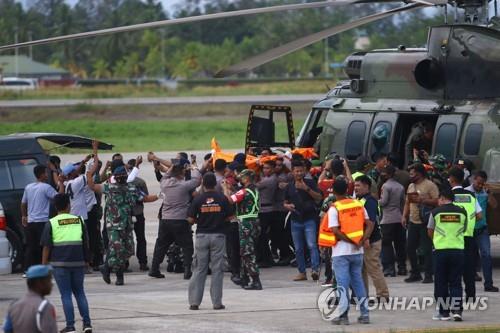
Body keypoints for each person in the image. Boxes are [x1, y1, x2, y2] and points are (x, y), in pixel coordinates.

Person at [87, 143, 158, 285]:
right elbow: (93, 187)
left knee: (127, 250)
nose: (121, 179)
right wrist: (89, 174)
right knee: (116, 250)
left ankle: (106, 267)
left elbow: (144, 198)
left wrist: (160, 196)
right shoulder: (110, 187)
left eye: (122, 177)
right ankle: (118, 276)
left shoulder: (131, 188)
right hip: (114, 226)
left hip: (127, 225)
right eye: (119, 177)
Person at [41, 193, 92, 333]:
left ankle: (70, 326)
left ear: (56, 207)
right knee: (80, 293)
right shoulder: (79, 220)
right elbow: (86, 242)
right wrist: (87, 261)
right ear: (69, 206)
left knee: (66, 294)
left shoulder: (51, 223)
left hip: (60, 265)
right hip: (78, 263)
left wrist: (43, 265)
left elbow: (46, 246)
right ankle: (87, 324)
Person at [328, 177, 374, 325]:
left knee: (342, 284)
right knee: (358, 283)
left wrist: (350, 241)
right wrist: (361, 240)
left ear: (334, 191)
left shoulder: (335, 207)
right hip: (357, 252)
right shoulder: (358, 204)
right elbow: (370, 224)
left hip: (341, 252)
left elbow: (335, 230)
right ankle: (365, 314)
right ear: (348, 189)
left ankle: (343, 316)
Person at [149, 152, 201, 279]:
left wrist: (173, 167)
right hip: (181, 220)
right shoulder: (184, 185)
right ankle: (187, 270)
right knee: (187, 245)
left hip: (166, 219)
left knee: (161, 245)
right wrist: (192, 168)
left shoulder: (164, 183)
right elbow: (197, 179)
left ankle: (154, 268)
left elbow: (166, 175)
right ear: (182, 171)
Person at [187, 173, 233, 310]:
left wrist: (199, 220)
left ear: (202, 183)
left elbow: (189, 219)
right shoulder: (222, 199)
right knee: (217, 269)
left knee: (199, 269)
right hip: (218, 235)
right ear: (215, 184)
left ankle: (194, 302)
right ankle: (217, 303)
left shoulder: (198, 199)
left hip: (202, 236)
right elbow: (230, 216)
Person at [427, 187, 467, 321]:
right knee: (456, 281)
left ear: (443, 198)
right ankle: (457, 310)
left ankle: (444, 312)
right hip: (458, 250)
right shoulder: (462, 212)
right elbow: (464, 228)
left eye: (439, 198)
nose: (438, 201)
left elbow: (430, 230)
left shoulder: (435, 212)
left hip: (441, 251)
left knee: (441, 282)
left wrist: (437, 241)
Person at [223, 169, 262, 290]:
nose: (241, 180)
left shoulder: (244, 191)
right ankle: (245, 277)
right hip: (255, 221)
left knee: (247, 252)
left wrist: (225, 189)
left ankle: (255, 280)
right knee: (247, 251)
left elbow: (229, 200)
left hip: (246, 223)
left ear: (247, 178)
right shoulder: (254, 189)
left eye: (242, 178)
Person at [284, 159, 322, 281]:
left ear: (305, 171)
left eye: (301, 171)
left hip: (309, 219)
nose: (299, 173)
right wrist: (287, 206)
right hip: (295, 219)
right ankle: (302, 272)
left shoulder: (310, 183)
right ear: (292, 172)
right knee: (298, 248)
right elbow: (285, 201)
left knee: (312, 245)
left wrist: (306, 189)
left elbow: (319, 198)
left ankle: (315, 270)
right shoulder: (289, 186)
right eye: (297, 171)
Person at [448, 167, 483, 301]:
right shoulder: (471, 196)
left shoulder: (448, 195)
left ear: (451, 179)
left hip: (453, 237)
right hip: (469, 236)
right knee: (469, 268)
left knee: (454, 269)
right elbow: (479, 215)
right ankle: (471, 296)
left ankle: (454, 296)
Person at [355, 175, 389, 301]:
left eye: (358, 185)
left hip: (371, 240)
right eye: (355, 185)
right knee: (361, 269)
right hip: (363, 240)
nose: (355, 187)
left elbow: (371, 222)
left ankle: (383, 295)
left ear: (366, 186)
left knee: (373, 268)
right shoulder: (360, 199)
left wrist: (366, 238)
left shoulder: (369, 201)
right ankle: (363, 295)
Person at [403, 163, 438, 283]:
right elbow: (407, 202)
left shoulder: (430, 185)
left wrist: (423, 200)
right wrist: (404, 216)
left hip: (425, 222)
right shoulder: (411, 186)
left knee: (427, 248)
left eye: (412, 173)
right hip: (413, 221)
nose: (410, 176)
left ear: (419, 173)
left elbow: (437, 201)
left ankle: (428, 275)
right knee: (410, 248)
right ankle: (415, 273)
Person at [21, 164, 59, 271]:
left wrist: (24, 216)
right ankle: (44, 266)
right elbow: (58, 198)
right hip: (42, 221)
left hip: (31, 222)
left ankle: (28, 269)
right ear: (42, 174)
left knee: (31, 247)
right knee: (45, 245)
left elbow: (23, 203)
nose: (47, 174)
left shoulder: (28, 187)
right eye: (46, 172)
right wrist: (61, 185)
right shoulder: (46, 187)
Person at [466, 171, 499, 292]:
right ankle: (469, 281)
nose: (480, 186)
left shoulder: (485, 193)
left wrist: (489, 194)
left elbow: (494, 206)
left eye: (482, 184)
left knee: (486, 255)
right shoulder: (466, 192)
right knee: (469, 256)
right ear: (473, 180)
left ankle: (488, 283)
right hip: (469, 229)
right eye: (478, 183)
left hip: (482, 229)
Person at [3, 265, 58, 333]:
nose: (52, 284)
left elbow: (7, 329)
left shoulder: (14, 306)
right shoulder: (45, 307)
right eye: (49, 280)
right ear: (39, 283)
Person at [379, 165, 407, 277]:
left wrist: (377, 201)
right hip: (399, 218)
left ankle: (389, 268)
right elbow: (403, 202)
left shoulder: (385, 186)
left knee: (387, 244)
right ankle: (402, 267)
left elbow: (384, 201)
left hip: (387, 219)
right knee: (400, 244)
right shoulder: (400, 187)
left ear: (387, 174)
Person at [127, 158, 150, 271]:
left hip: (126, 214)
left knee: (125, 238)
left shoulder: (122, 181)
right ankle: (143, 262)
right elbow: (145, 197)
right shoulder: (140, 182)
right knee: (141, 238)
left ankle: (124, 262)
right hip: (138, 213)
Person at [256, 160, 278, 268]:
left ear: (273, 169)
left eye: (268, 168)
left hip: (266, 210)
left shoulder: (271, 180)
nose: (265, 170)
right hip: (263, 209)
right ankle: (266, 258)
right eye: (264, 168)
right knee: (262, 236)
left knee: (262, 236)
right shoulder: (266, 178)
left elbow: (255, 186)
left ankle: (265, 259)